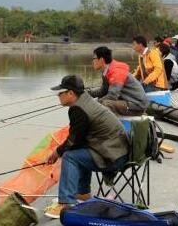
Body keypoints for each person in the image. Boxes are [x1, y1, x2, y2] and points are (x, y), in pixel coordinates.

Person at [44, 75, 129, 219]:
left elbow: (73, 140)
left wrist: (56, 152)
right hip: (118, 151)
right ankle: (82, 193)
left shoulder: (78, 110)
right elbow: (78, 140)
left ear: (70, 93)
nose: (58, 96)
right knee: (77, 152)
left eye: (60, 92)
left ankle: (66, 203)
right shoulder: (86, 100)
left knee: (69, 156)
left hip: (113, 156)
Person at [88, 46, 148, 116]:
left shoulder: (117, 72)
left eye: (94, 58)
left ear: (101, 59)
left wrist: (93, 102)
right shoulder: (106, 72)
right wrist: (86, 93)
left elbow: (112, 96)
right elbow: (103, 91)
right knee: (101, 101)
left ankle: (110, 126)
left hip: (137, 105)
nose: (92, 61)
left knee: (107, 104)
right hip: (128, 102)